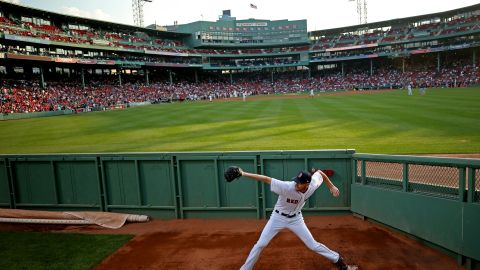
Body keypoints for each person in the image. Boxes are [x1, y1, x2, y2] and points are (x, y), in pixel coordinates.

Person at [237, 167, 357, 270]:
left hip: (296, 219)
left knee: (313, 245)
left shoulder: (312, 185)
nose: (296, 184)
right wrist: (243, 173)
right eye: (297, 181)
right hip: (277, 218)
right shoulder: (287, 186)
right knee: (261, 244)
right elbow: (266, 179)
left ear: (307, 184)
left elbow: (320, 173)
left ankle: (338, 259)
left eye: (299, 183)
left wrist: (331, 186)